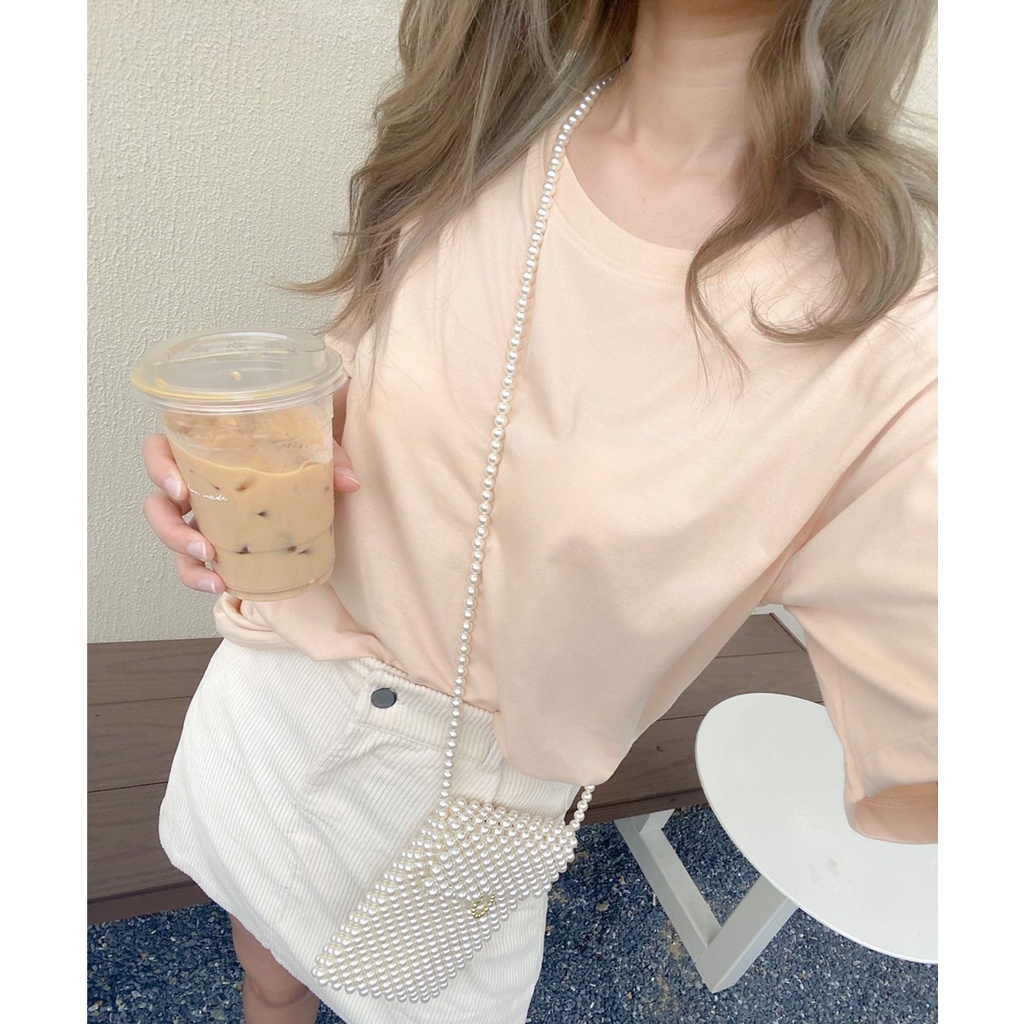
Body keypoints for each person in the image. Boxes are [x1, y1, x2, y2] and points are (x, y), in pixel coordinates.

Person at [141, 1, 938, 1022]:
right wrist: (241, 469)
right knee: (265, 960)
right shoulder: (475, 134)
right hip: (270, 695)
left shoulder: (897, 342)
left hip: (460, 815)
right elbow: (352, 386)